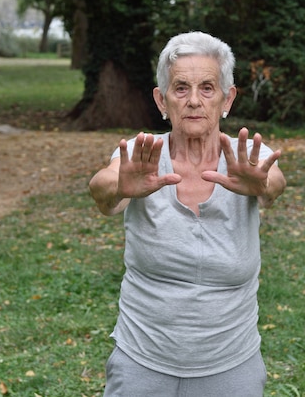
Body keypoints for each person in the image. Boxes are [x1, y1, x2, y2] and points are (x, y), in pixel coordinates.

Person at [89, 31, 286, 397]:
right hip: (142, 360)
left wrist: (261, 185)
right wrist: (119, 185)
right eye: (180, 88)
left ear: (227, 99)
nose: (194, 101)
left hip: (232, 363)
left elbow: (274, 181)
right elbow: (102, 190)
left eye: (207, 88)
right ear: (161, 100)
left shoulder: (243, 157)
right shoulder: (142, 153)